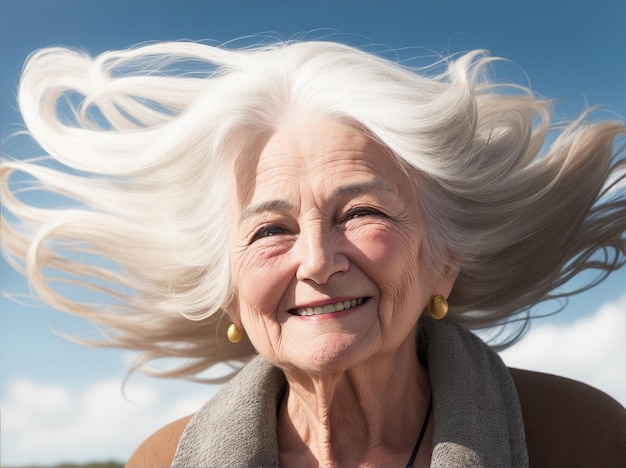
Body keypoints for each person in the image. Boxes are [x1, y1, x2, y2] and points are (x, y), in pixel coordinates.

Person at [2, 39, 625, 467]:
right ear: (230, 291)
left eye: (361, 213)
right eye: (270, 229)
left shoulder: (580, 437)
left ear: (444, 260)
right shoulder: (162, 459)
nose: (318, 259)